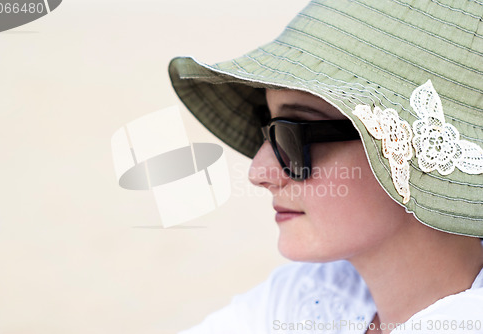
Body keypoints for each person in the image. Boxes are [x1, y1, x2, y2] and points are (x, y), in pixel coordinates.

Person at [168, 0, 483, 333]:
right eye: (268, 128)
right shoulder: (311, 294)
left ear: (406, 148)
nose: (259, 173)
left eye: (294, 133)